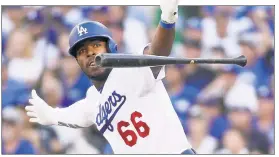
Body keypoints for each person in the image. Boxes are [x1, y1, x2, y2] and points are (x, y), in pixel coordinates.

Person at [25, 0, 196, 154]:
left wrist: (167, 21)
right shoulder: (92, 99)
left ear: (111, 48)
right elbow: (77, 115)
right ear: (78, 61)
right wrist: (51, 115)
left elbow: (156, 54)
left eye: (96, 45)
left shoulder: (130, 69)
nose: (90, 53)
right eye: (82, 51)